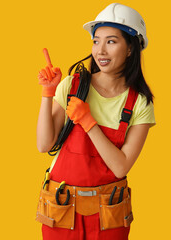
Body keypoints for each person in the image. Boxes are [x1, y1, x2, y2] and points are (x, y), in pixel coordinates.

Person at [35, 3, 155, 240]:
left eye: (111, 41)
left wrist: (88, 122)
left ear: (131, 48)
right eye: (96, 41)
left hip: (108, 216)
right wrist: (48, 94)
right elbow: (44, 145)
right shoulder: (73, 85)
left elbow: (121, 167)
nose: (100, 51)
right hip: (61, 210)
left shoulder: (140, 103)